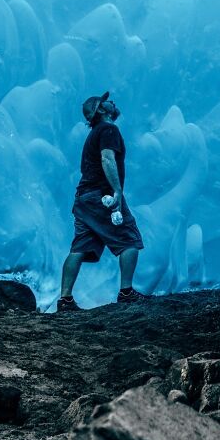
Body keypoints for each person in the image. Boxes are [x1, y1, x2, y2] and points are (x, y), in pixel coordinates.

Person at [57, 92, 145, 312]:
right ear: (101, 110)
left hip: (83, 198)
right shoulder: (108, 129)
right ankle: (126, 292)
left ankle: (65, 300)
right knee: (129, 238)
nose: (112, 101)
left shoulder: (94, 133)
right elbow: (107, 158)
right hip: (101, 196)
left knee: (80, 246)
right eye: (106, 101)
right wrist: (116, 191)